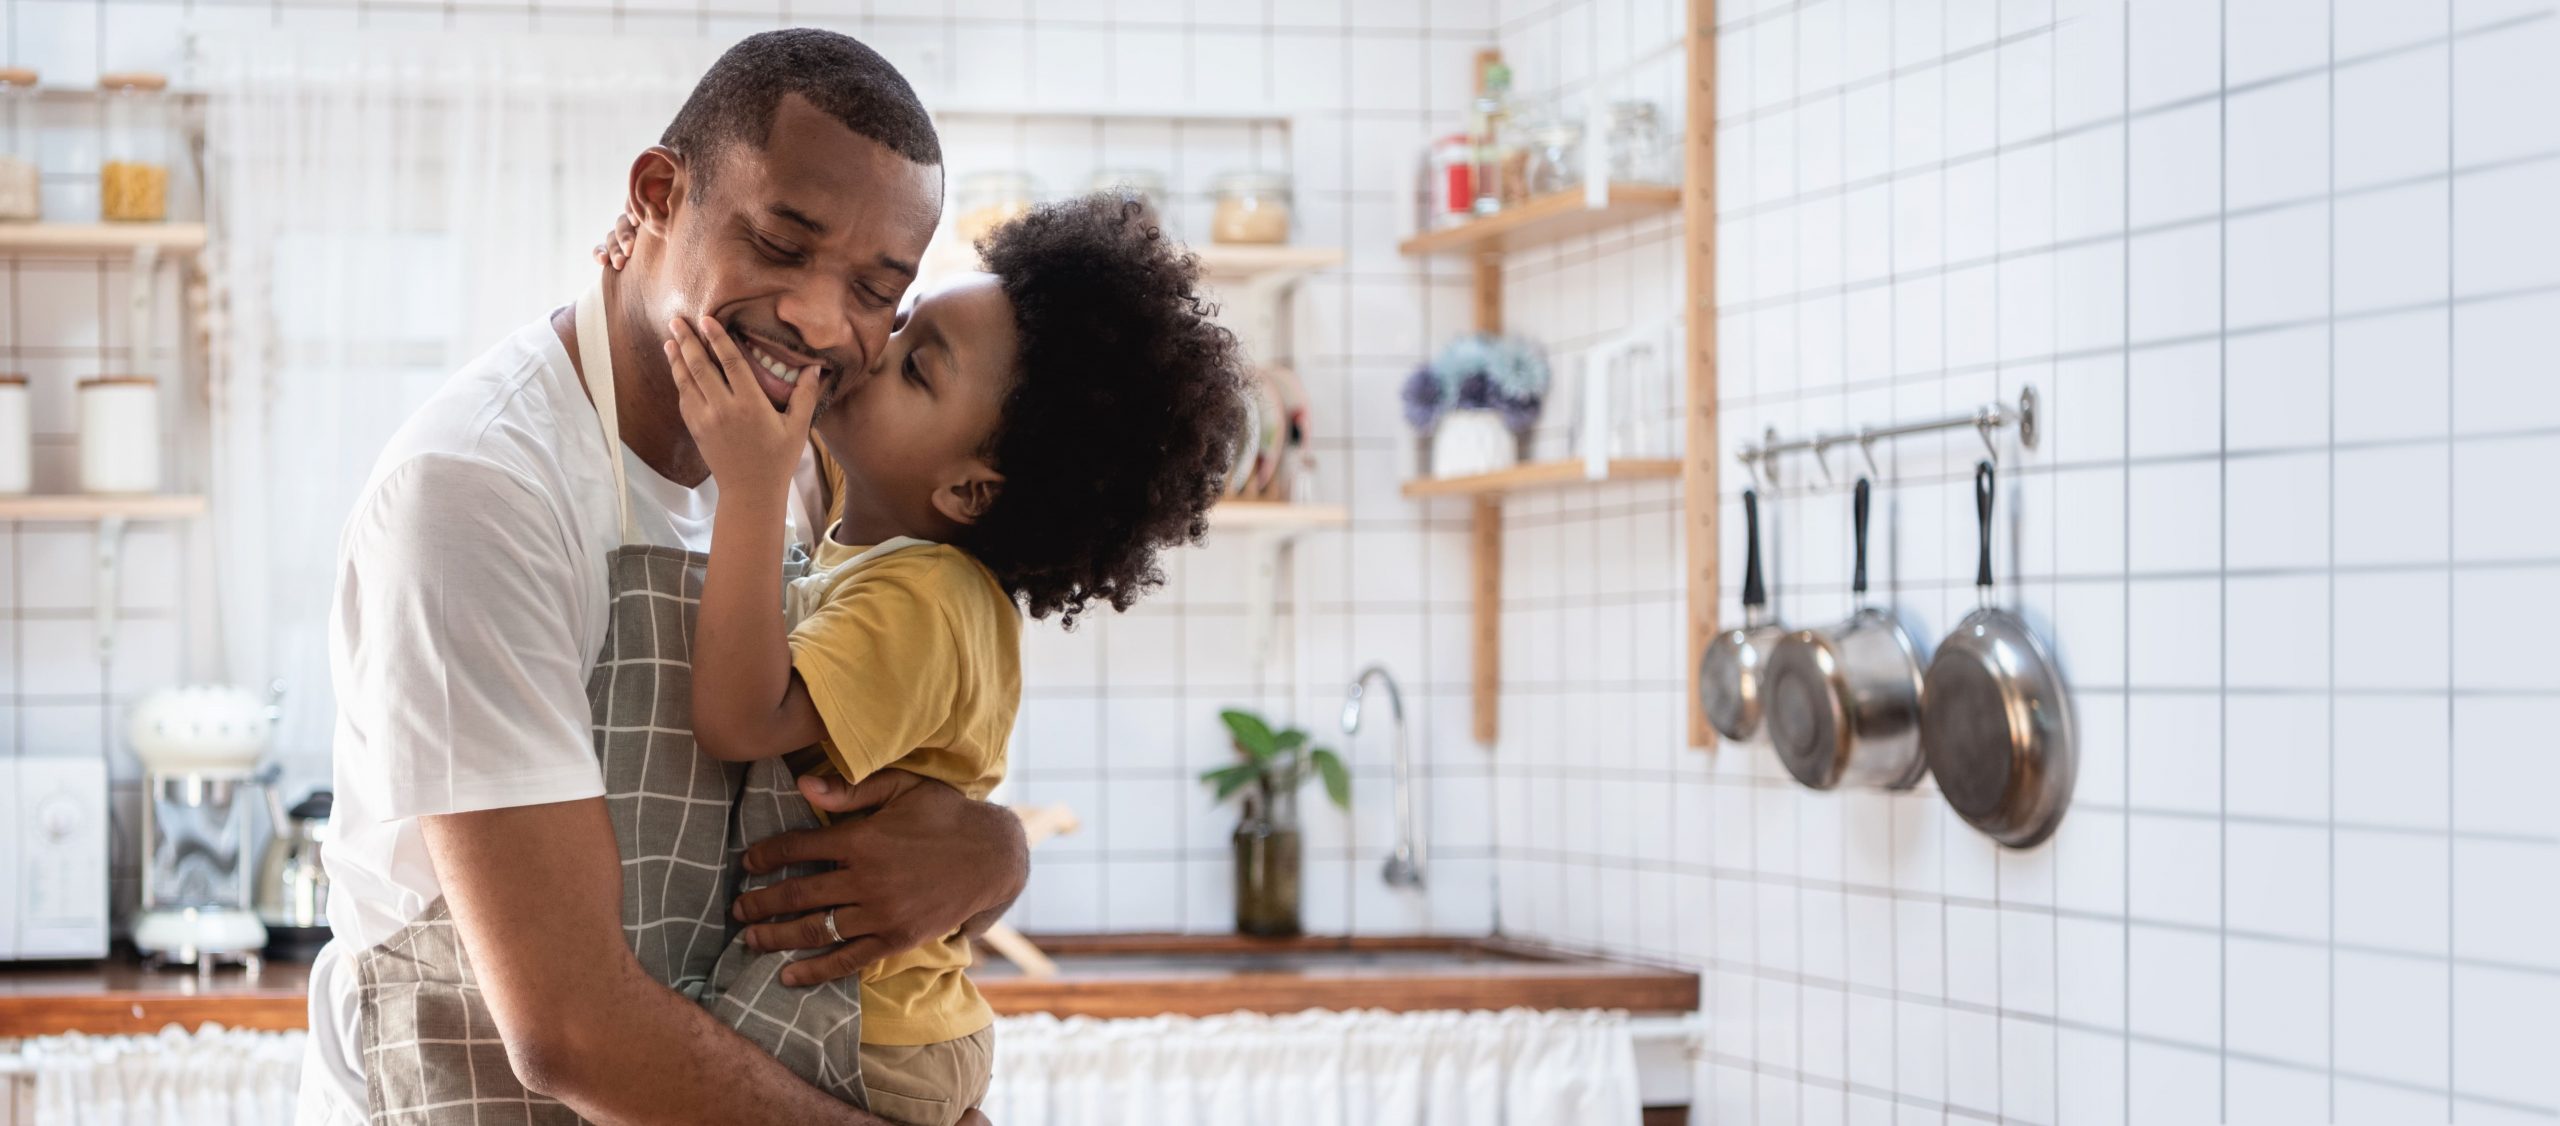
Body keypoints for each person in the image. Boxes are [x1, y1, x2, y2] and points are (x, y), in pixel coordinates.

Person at [297, 30, 1027, 1126]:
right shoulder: (477, 489)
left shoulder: (804, 461)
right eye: (782, 244)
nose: (824, 322)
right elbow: (570, 1032)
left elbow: (902, 761)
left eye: (878, 291)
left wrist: (993, 854)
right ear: (655, 194)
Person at [647, 193, 1246, 1125]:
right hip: (879, 1018)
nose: (871, 346)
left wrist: (751, 489)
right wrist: (654, 253)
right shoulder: (888, 518)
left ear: (968, 490)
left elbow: (738, 720)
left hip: (864, 1031)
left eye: (915, 366)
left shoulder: (924, 599)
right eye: (905, 316)